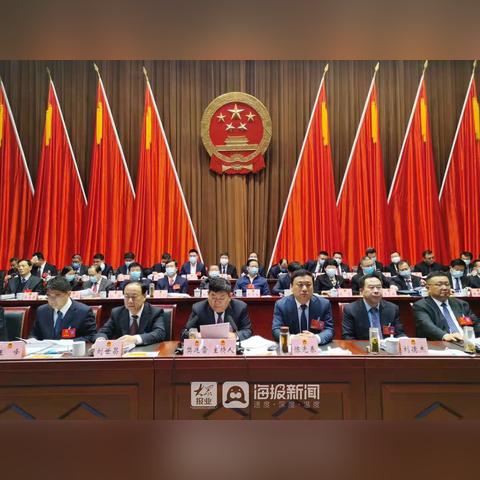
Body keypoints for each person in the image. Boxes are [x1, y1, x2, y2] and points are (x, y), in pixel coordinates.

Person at [413, 271, 480, 341]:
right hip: (441, 342)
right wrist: (445, 336)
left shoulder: (461, 304)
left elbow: (475, 324)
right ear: (428, 288)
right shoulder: (421, 305)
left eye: (447, 284)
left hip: (466, 341)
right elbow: (426, 325)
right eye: (439, 285)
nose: (445, 288)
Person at [95, 281, 167, 346]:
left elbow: (159, 333)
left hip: (146, 352)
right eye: (126, 296)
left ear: (144, 296)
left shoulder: (155, 312)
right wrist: (100, 341)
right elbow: (103, 332)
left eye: (134, 297)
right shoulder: (117, 312)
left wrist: (135, 339)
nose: (130, 301)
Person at [272, 269, 333, 344]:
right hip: (292, 347)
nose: (304, 289)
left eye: (308, 285)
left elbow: (329, 329)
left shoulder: (323, 304)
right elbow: (276, 330)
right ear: (291, 287)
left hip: (315, 347)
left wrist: (316, 338)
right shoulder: (281, 305)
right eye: (300, 285)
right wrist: (293, 339)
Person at [181, 277, 252, 340]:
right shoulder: (198, 309)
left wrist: (235, 336)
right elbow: (184, 332)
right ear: (208, 295)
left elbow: (247, 331)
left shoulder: (240, 308)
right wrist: (196, 335)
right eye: (213, 297)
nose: (217, 302)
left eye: (221, 298)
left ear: (230, 297)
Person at [30, 276, 96, 341]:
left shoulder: (83, 312)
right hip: (45, 348)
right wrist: (31, 340)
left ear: (68, 294)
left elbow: (91, 336)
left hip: (71, 348)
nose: (52, 300)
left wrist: (69, 343)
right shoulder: (42, 311)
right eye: (49, 295)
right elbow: (35, 335)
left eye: (57, 295)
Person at [342, 274, 406, 340]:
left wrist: (404, 340)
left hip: (388, 345)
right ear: (361, 291)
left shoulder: (392, 309)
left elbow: (399, 333)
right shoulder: (351, 310)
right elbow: (348, 337)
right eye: (371, 287)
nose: (376, 291)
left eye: (379, 287)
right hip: (363, 346)